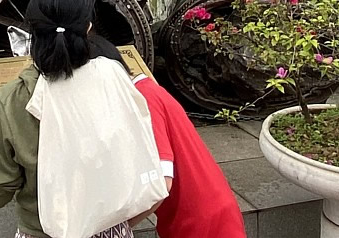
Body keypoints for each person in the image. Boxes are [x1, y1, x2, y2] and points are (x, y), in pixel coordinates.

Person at [0, 0, 163, 238]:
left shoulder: (13, 99)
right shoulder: (114, 77)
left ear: (31, 30)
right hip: (111, 229)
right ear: (89, 26)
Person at [91, 38, 246, 238]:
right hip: (202, 212)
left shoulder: (143, 99)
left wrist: (117, 227)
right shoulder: (147, 90)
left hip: (199, 222)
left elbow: (162, 184)